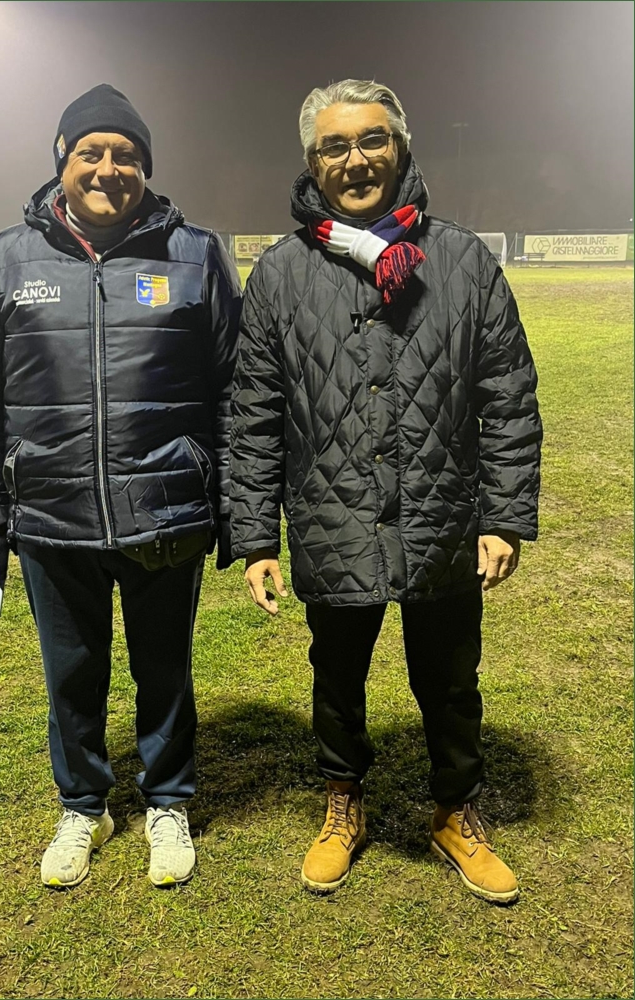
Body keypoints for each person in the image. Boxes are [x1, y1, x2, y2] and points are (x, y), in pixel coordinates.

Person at [230, 79, 542, 903]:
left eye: (373, 139)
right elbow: (253, 413)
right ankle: (343, 801)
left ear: (400, 149)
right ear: (313, 163)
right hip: (331, 516)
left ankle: (455, 811)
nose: (356, 159)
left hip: (443, 515)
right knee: (336, 677)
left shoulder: (463, 260)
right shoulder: (280, 273)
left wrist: (505, 515)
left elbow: (508, 396)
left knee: (451, 679)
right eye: (334, 146)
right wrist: (255, 537)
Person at [0, 84, 241, 889]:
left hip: (166, 511)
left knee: (164, 670)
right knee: (70, 676)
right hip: (50, 512)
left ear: (145, 167)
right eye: (92, 152)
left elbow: (233, 385)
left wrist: (227, 503)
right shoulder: (1, 261)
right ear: (62, 160)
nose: (108, 168)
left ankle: (168, 801)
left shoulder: (196, 255)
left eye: (126, 155)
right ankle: (83, 804)